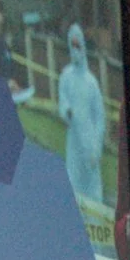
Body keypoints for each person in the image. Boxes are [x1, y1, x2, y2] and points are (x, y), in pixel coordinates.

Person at [55, 22, 109, 211]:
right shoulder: (66, 77)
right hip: (74, 142)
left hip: (90, 143)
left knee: (92, 192)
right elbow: (62, 103)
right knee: (74, 186)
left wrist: (96, 147)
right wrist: (67, 112)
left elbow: (100, 117)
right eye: (72, 45)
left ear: (83, 46)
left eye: (78, 45)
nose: (75, 49)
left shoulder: (91, 82)